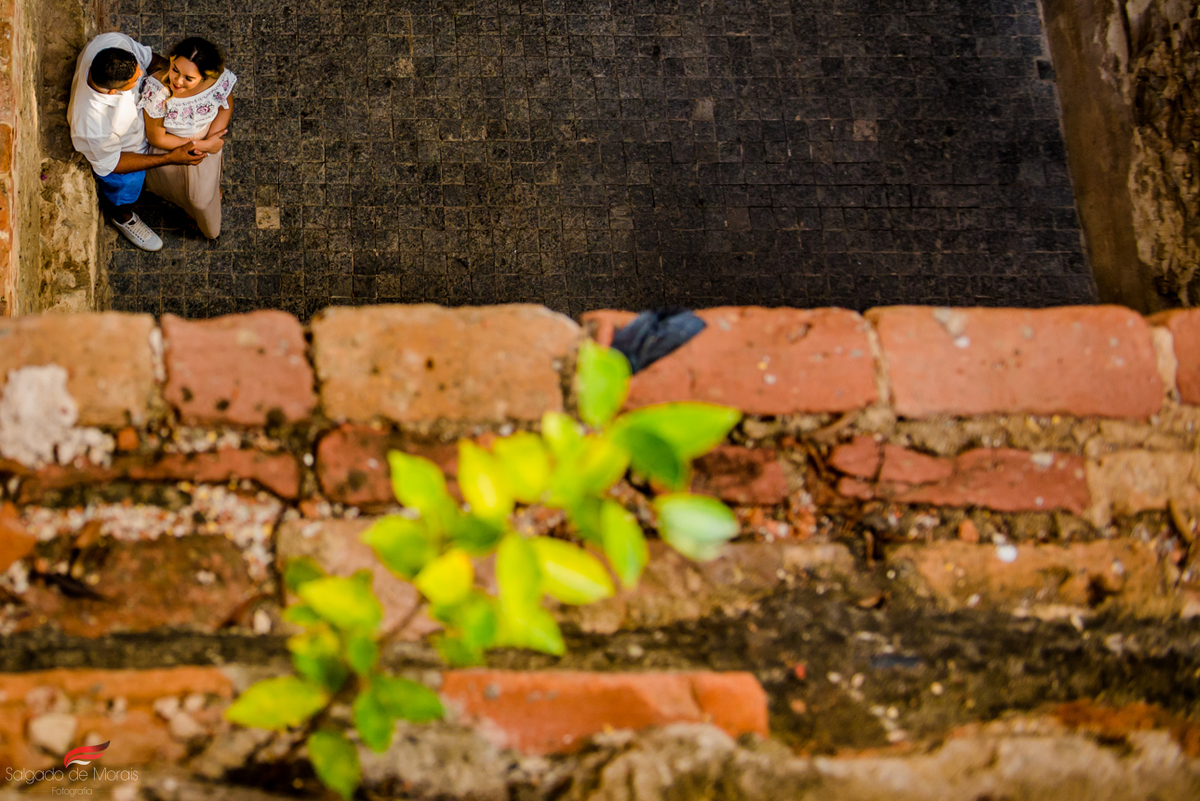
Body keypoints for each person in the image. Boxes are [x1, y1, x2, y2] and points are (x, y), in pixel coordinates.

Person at [68, 32, 207, 252]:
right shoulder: (91, 128)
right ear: (114, 91)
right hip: (127, 153)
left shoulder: (111, 42)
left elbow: (150, 60)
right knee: (124, 185)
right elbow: (113, 164)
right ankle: (121, 215)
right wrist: (169, 158)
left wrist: (172, 77)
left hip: (152, 116)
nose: (142, 73)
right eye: (135, 79)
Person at [139, 37, 235, 240]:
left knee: (206, 183)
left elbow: (225, 104)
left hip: (208, 140)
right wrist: (204, 145)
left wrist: (212, 137)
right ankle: (192, 210)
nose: (177, 81)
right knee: (194, 198)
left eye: (188, 78)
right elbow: (157, 138)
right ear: (172, 59)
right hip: (174, 147)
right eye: (175, 69)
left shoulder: (217, 80)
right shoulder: (157, 92)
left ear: (204, 77)